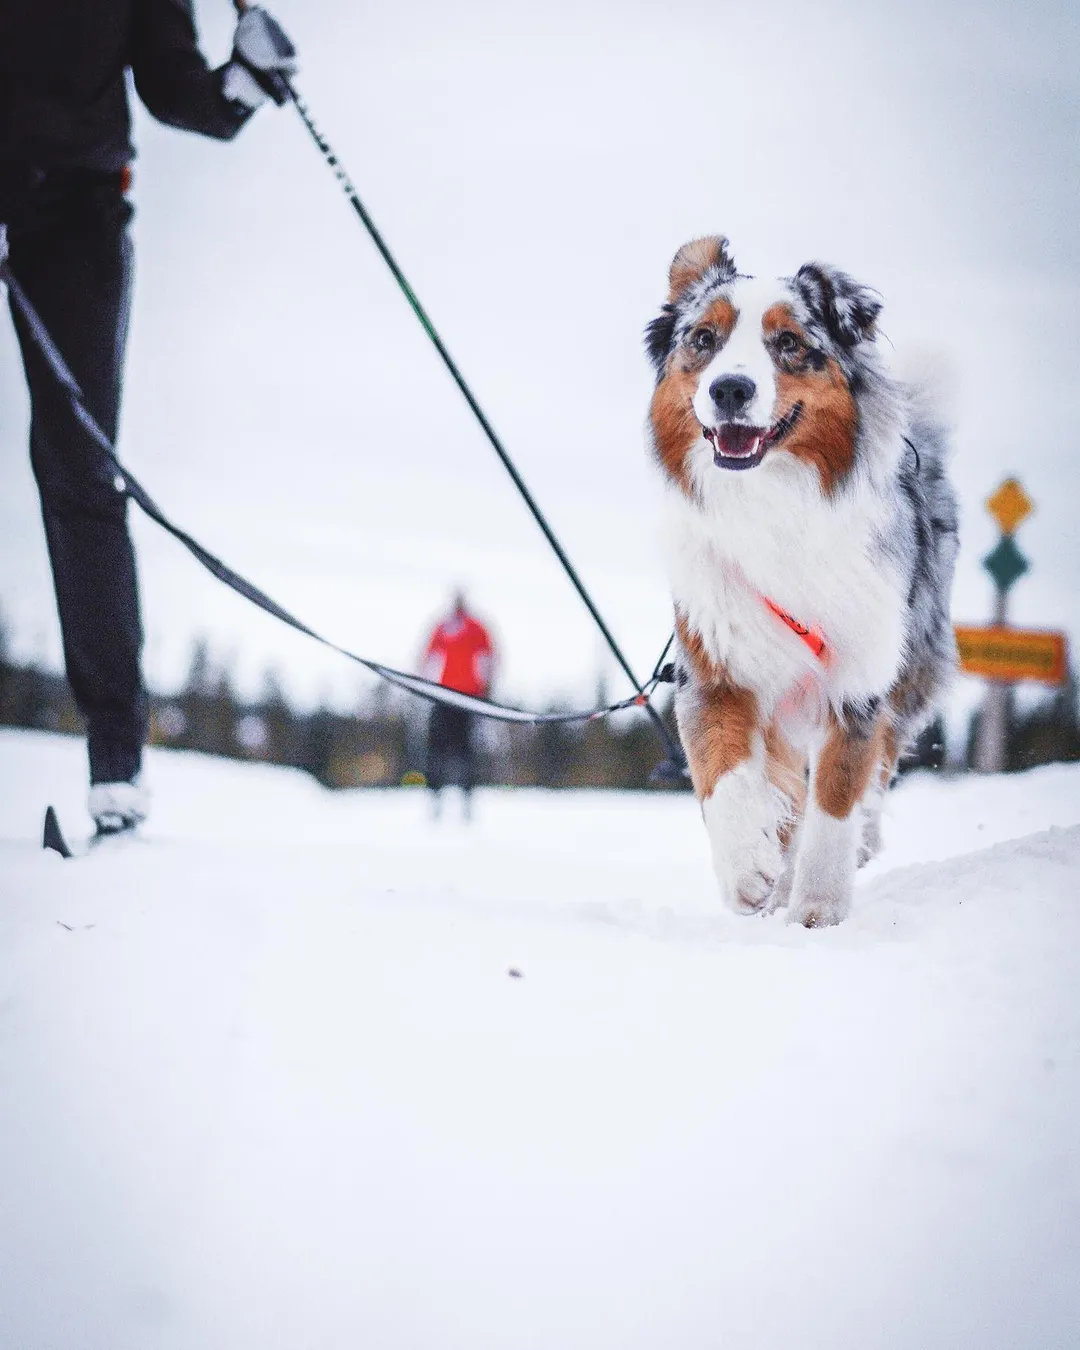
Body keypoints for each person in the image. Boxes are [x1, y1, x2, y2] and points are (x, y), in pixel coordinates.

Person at [0, 2, 298, 835]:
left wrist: (243, 80)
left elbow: (175, 90)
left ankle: (116, 759)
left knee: (77, 468)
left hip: (75, 211)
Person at [420, 592, 495, 820]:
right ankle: (435, 800)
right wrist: (425, 684)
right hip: (443, 696)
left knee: (466, 751)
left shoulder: (476, 627)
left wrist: (487, 686)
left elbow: (489, 656)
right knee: (437, 750)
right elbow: (428, 655)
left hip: (469, 696)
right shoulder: (443, 626)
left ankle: (467, 801)